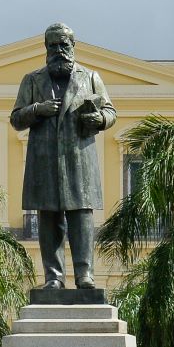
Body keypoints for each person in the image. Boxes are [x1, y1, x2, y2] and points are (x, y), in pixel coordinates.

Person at [10, 24, 116, 290]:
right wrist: (38, 109)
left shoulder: (91, 77)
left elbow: (111, 112)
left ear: (73, 46)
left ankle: (84, 275)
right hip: (44, 161)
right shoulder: (32, 80)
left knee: (81, 217)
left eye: (63, 45)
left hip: (78, 160)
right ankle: (54, 277)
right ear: (46, 48)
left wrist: (100, 118)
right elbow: (16, 119)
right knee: (48, 218)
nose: (58, 50)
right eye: (53, 46)